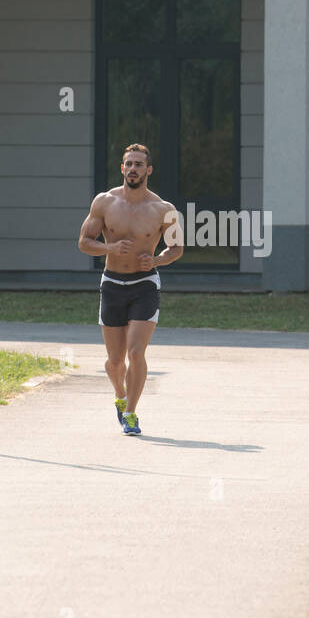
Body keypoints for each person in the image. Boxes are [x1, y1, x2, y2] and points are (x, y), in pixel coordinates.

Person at [76, 143, 183, 434]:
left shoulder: (164, 209)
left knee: (136, 353)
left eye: (139, 164)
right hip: (111, 283)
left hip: (144, 285)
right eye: (129, 164)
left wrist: (157, 259)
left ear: (148, 170)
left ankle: (132, 413)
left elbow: (176, 248)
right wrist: (109, 247)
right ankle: (120, 396)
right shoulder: (104, 202)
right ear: (122, 168)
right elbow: (84, 242)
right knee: (114, 362)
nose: (133, 169)